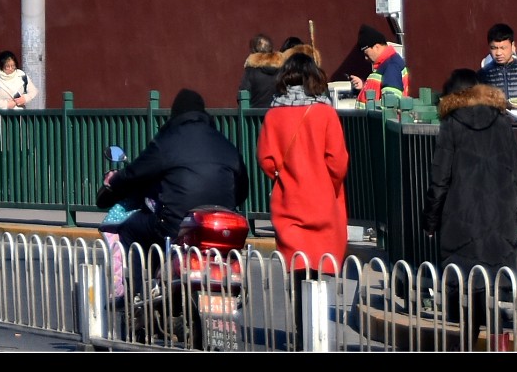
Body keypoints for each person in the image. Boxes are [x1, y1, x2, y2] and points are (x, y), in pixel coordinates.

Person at [421, 69, 517, 350]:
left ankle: (467, 349)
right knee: (491, 294)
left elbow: (440, 179)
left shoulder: (451, 125)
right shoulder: (502, 123)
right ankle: (498, 349)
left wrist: (430, 222)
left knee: (468, 294)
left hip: (461, 221)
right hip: (499, 219)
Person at [98, 89, 248, 247]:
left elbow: (135, 172)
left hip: (175, 226)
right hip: (221, 228)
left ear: (175, 114)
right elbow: (242, 191)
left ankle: (138, 272)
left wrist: (114, 180)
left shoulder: (167, 141)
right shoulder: (226, 145)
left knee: (130, 227)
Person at [257, 54, 350, 273]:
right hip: (323, 203)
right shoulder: (326, 112)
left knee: (297, 265)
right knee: (323, 265)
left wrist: (283, 176)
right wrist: (329, 186)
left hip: (289, 202)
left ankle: (299, 306)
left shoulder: (273, 115)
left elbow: (266, 159)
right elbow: (338, 161)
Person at [347, 32, 409, 103]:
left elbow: (390, 104)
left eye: (366, 53)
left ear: (377, 47)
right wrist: (363, 87)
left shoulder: (391, 65)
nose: (366, 58)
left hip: (376, 114)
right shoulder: (385, 64)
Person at [240, 34, 283, 109]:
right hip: (277, 115)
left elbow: (242, 95)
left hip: (256, 117)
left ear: (254, 51)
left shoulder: (251, 71)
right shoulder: (282, 70)